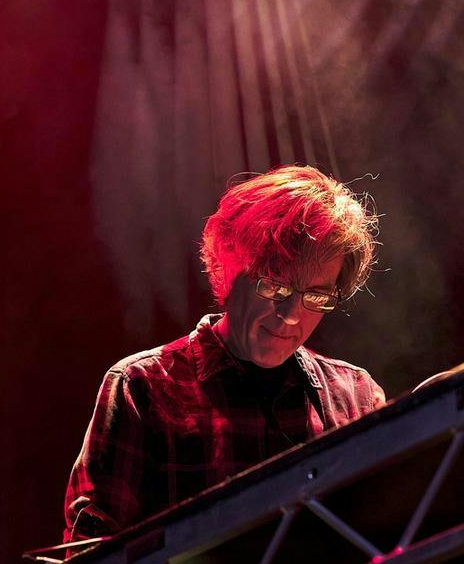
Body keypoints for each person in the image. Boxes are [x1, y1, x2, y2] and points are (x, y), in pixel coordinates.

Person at [63, 165, 385, 543]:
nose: (292, 315)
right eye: (276, 286)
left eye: (316, 296)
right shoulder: (144, 388)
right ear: (229, 270)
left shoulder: (357, 396)